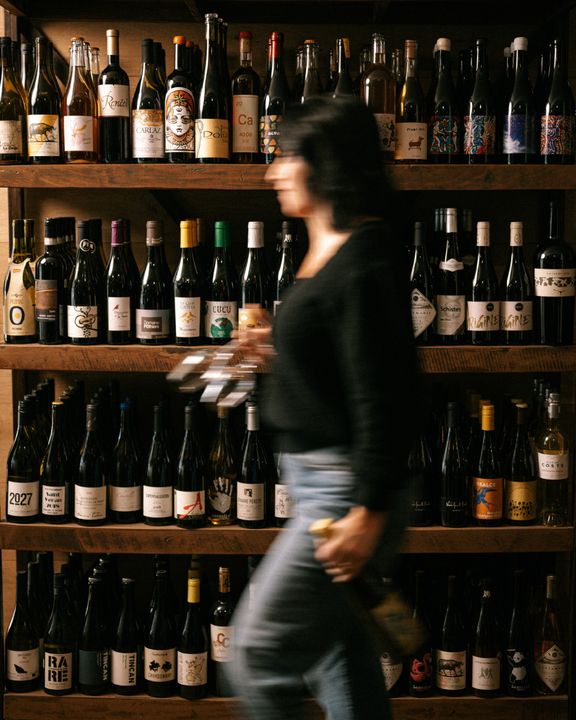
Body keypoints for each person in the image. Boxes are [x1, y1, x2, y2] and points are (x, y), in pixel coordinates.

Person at [226, 96, 421, 720]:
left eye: (286, 155)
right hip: (317, 485)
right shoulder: (330, 248)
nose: (272, 171)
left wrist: (368, 510)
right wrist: (276, 348)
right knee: (342, 664)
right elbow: (341, 367)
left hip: (341, 495)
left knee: (255, 658)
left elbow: (385, 395)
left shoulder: (363, 258)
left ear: (323, 162)